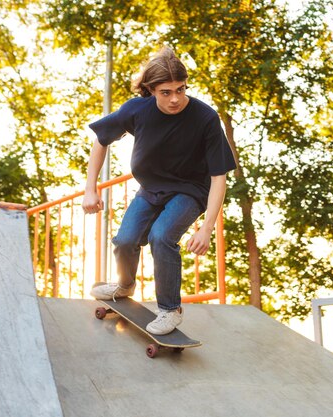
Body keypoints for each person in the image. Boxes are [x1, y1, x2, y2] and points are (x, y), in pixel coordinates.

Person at [82, 47, 236, 335]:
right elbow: (101, 141)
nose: (175, 98)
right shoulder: (135, 110)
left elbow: (218, 177)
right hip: (150, 189)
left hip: (189, 191)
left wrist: (206, 228)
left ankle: (170, 309)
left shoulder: (205, 118)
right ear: (150, 90)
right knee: (125, 240)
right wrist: (89, 189)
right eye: (166, 92)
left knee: (162, 236)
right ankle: (125, 285)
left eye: (180, 89)